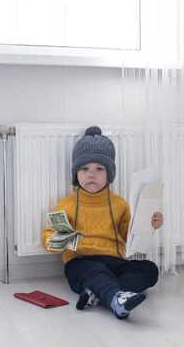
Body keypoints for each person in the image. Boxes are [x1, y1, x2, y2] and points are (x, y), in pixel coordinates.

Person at [41, 125, 164, 319]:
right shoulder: (67, 204)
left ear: (109, 174)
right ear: (76, 173)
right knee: (96, 270)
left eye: (99, 168)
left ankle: (97, 295)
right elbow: (48, 237)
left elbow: (129, 234)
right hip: (80, 263)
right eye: (85, 168)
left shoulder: (119, 204)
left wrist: (150, 223)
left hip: (114, 262)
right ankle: (116, 300)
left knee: (149, 269)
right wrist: (69, 241)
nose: (92, 174)